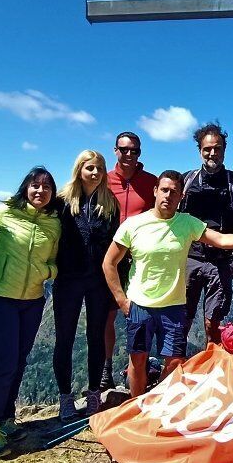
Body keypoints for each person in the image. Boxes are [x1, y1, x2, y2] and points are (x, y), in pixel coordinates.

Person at [104, 170, 233, 400]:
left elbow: (220, 240)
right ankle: (136, 408)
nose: (168, 196)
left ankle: (157, 401)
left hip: (174, 306)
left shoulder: (187, 223)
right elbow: (109, 262)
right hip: (140, 305)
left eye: (174, 192)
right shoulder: (134, 225)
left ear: (181, 196)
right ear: (155, 191)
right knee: (137, 361)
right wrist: (121, 300)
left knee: (175, 361)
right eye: (164, 190)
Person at [0, 166, 62, 457]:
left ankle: (6, 419)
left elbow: (53, 259)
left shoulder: (53, 223)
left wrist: (46, 271)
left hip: (33, 299)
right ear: (25, 187)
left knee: (20, 360)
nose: (40, 191)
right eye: (35, 186)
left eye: (46, 187)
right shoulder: (4, 213)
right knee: (5, 362)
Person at [54, 150, 119, 420]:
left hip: (97, 280)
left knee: (96, 336)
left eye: (99, 169)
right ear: (79, 169)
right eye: (90, 168)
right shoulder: (62, 201)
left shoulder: (110, 203)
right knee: (64, 338)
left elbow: (115, 242)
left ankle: (94, 393)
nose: (95, 173)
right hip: (67, 279)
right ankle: (65, 397)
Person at [180, 122, 233, 347]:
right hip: (189, 260)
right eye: (207, 149)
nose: (212, 153)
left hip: (220, 262)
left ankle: (211, 369)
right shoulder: (186, 181)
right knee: (181, 320)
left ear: (224, 150)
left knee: (214, 324)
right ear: (200, 150)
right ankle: (175, 368)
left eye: (217, 148)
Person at [102, 131, 158, 391]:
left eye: (134, 150)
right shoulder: (102, 180)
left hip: (138, 258)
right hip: (109, 256)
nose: (128, 155)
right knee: (107, 315)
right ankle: (105, 370)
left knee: (138, 314)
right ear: (115, 150)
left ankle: (133, 370)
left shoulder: (151, 182)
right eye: (124, 149)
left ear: (140, 153)